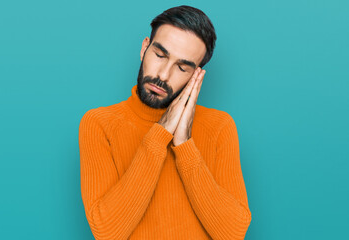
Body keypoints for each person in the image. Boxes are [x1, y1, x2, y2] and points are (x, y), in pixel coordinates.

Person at [79, 5, 252, 240]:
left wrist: (184, 145)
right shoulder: (99, 124)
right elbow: (108, 233)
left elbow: (232, 234)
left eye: (182, 67)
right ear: (144, 48)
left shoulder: (219, 126)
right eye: (160, 55)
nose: (163, 75)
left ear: (196, 75)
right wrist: (161, 133)